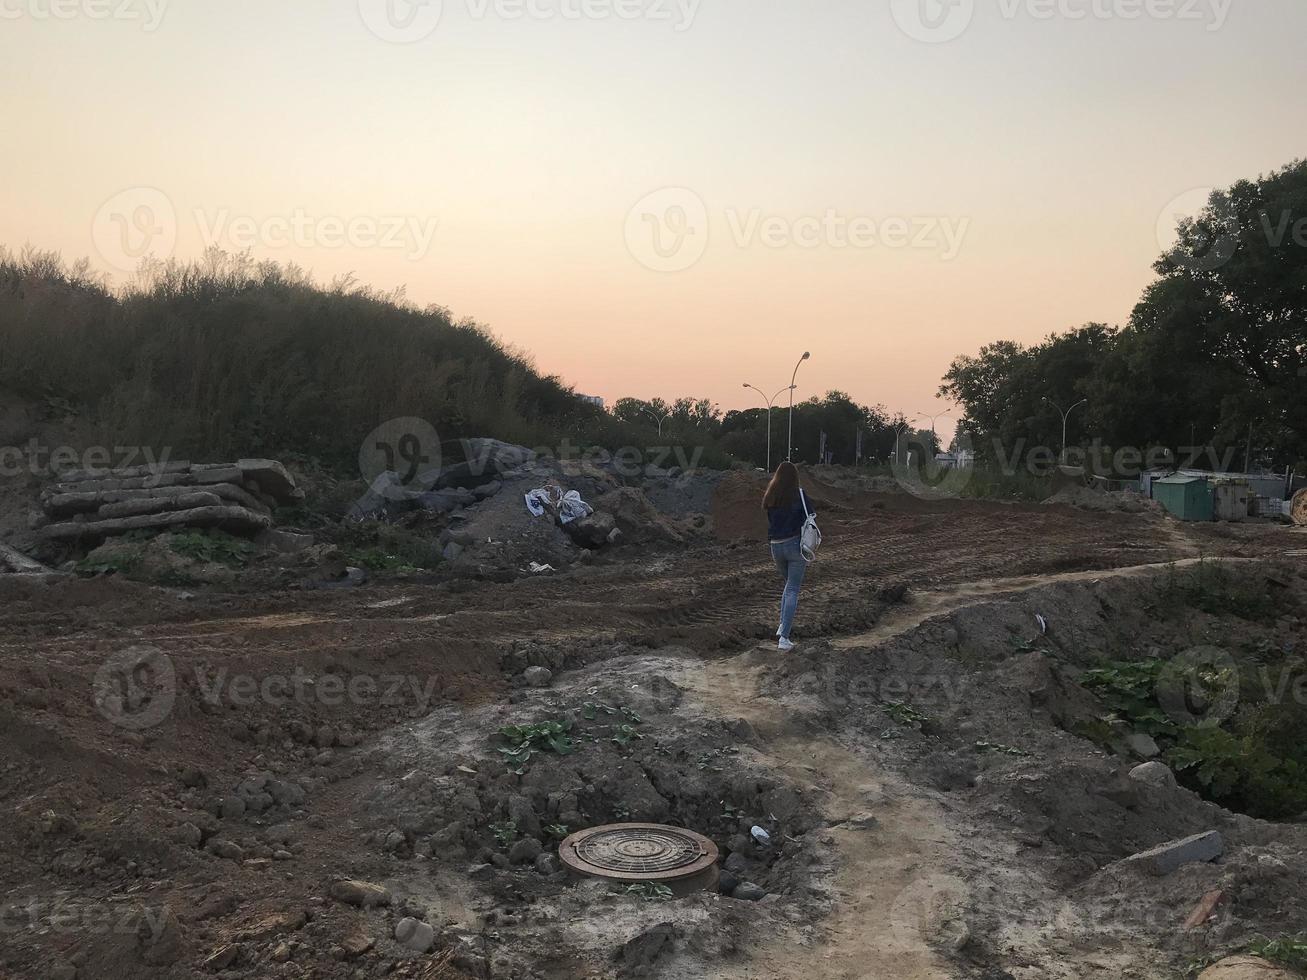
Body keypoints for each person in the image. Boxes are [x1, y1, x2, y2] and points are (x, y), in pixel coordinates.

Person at [762, 461, 813, 652]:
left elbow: (770, 520)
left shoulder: (771, 495)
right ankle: (784, 638)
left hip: (775, 546)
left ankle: (782, 626)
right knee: (792, 589)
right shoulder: (798, 494)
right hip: (794, 545)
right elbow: (810, 515)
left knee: (788, 586)